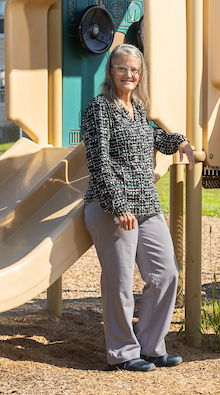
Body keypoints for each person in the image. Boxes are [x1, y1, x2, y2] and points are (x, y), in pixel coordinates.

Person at [82, 44, 194, 372]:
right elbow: (98, 161)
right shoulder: (100, 108)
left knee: (166, 274)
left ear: (140, 74)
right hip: (110, 207)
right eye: (121, 68)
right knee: (119, 283)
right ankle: (122, 352)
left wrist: (180, 141)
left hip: (146, 204)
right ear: (111, 71)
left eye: (134, 69)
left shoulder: (138, 108)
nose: (128, 74)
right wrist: (118, 205)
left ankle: (151, 346)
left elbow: (150, 136)